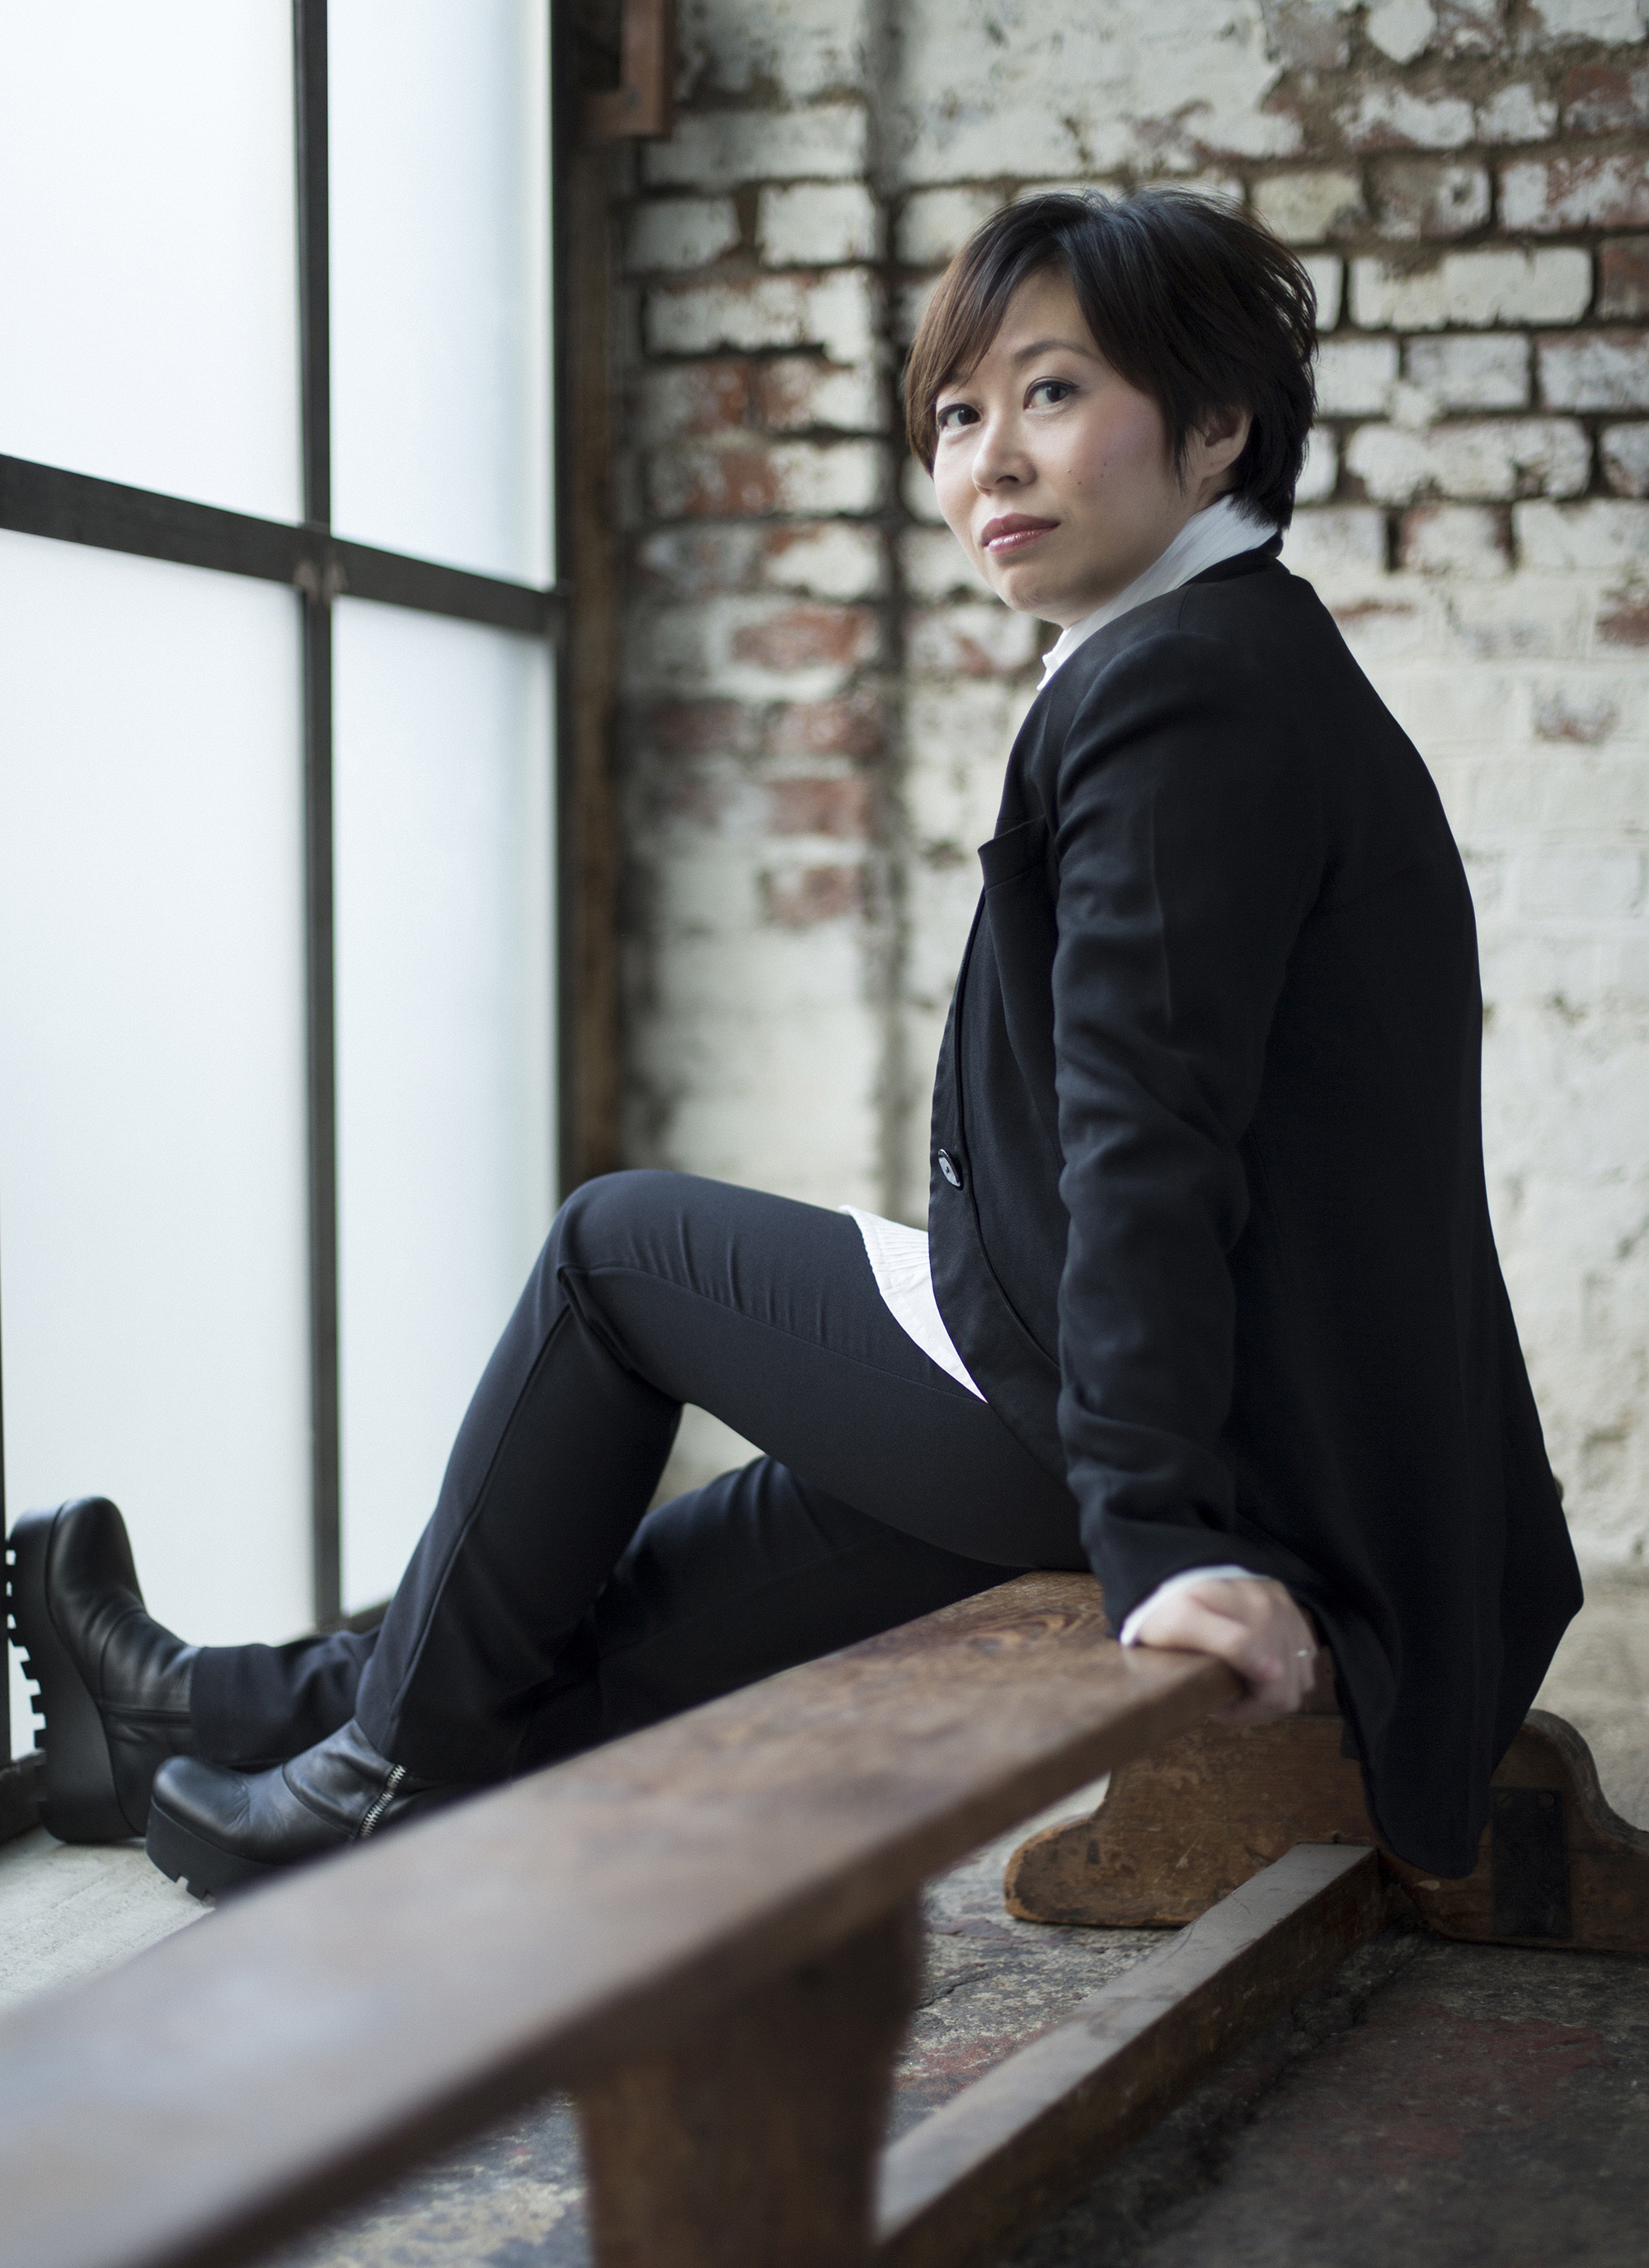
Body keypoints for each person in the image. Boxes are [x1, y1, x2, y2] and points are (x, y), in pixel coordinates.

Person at [15, 189, 1580, 1901]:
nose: (988, 460)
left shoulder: (1184, 691)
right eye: (958, 413)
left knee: (616, 1251)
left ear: (1216, 432)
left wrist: (1157, 1539)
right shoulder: (1227, 657)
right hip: (1188, 1407)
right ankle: (193, 1718)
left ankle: (374, 1786)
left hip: (1176, 1442)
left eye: (1053, 394)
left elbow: (1152, 1136)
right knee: (659, 1599)